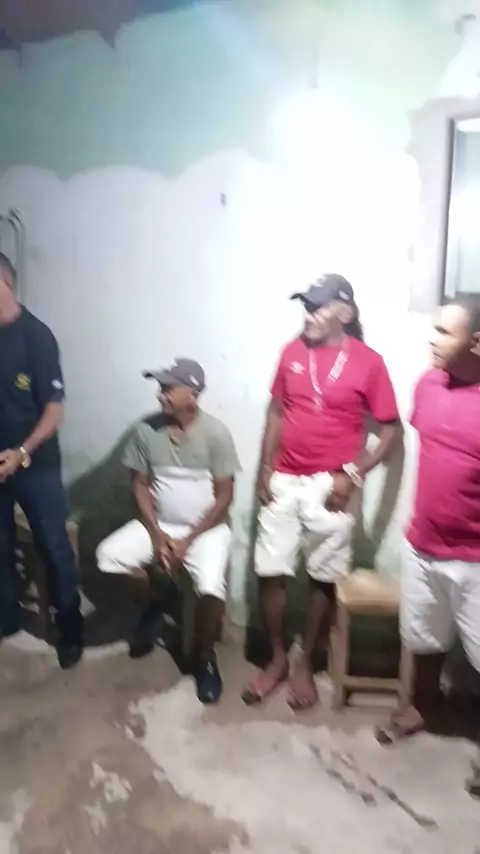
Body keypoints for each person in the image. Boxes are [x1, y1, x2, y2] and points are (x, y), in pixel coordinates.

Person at [243, 274, 402, 709]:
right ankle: (277, 658)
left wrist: (354, 474)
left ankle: (305, 662)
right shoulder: (291, 352)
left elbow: (391, 431)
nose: (308, 315)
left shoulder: (369, 362)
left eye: (318, 307)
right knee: (269, 571)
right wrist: (264, 469)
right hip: (284, 479)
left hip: (332, 485)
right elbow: (277, 412)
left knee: (323, 577)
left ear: (344, 313)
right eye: (306, 306)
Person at [375, 296, 480, 798]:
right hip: (423, 545)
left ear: (476, 342)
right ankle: (421, 707)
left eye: (443, 332)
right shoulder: (427, 385)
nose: (431, 340)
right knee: (425, 638)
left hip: (476, 559)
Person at [96, 358, 240, 704]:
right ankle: (156, 602)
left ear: (193, 394)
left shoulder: (216, 434)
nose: (160, 394)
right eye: (160, 387)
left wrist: (187, 540)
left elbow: (225, 498)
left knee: (211, 588)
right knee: (108, 558)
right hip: (160, 525)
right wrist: (158, 535)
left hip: (206, 530)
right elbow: (140, 485)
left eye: (168, 388)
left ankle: (205, 658)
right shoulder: (146, 432)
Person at [0, 253, 83, 668]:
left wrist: (22, 452)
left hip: (35, 463)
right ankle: (7, 618)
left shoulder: (36, 336)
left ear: (4, 282)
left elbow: (54, 409)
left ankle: (70, 629)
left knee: (53, 546)